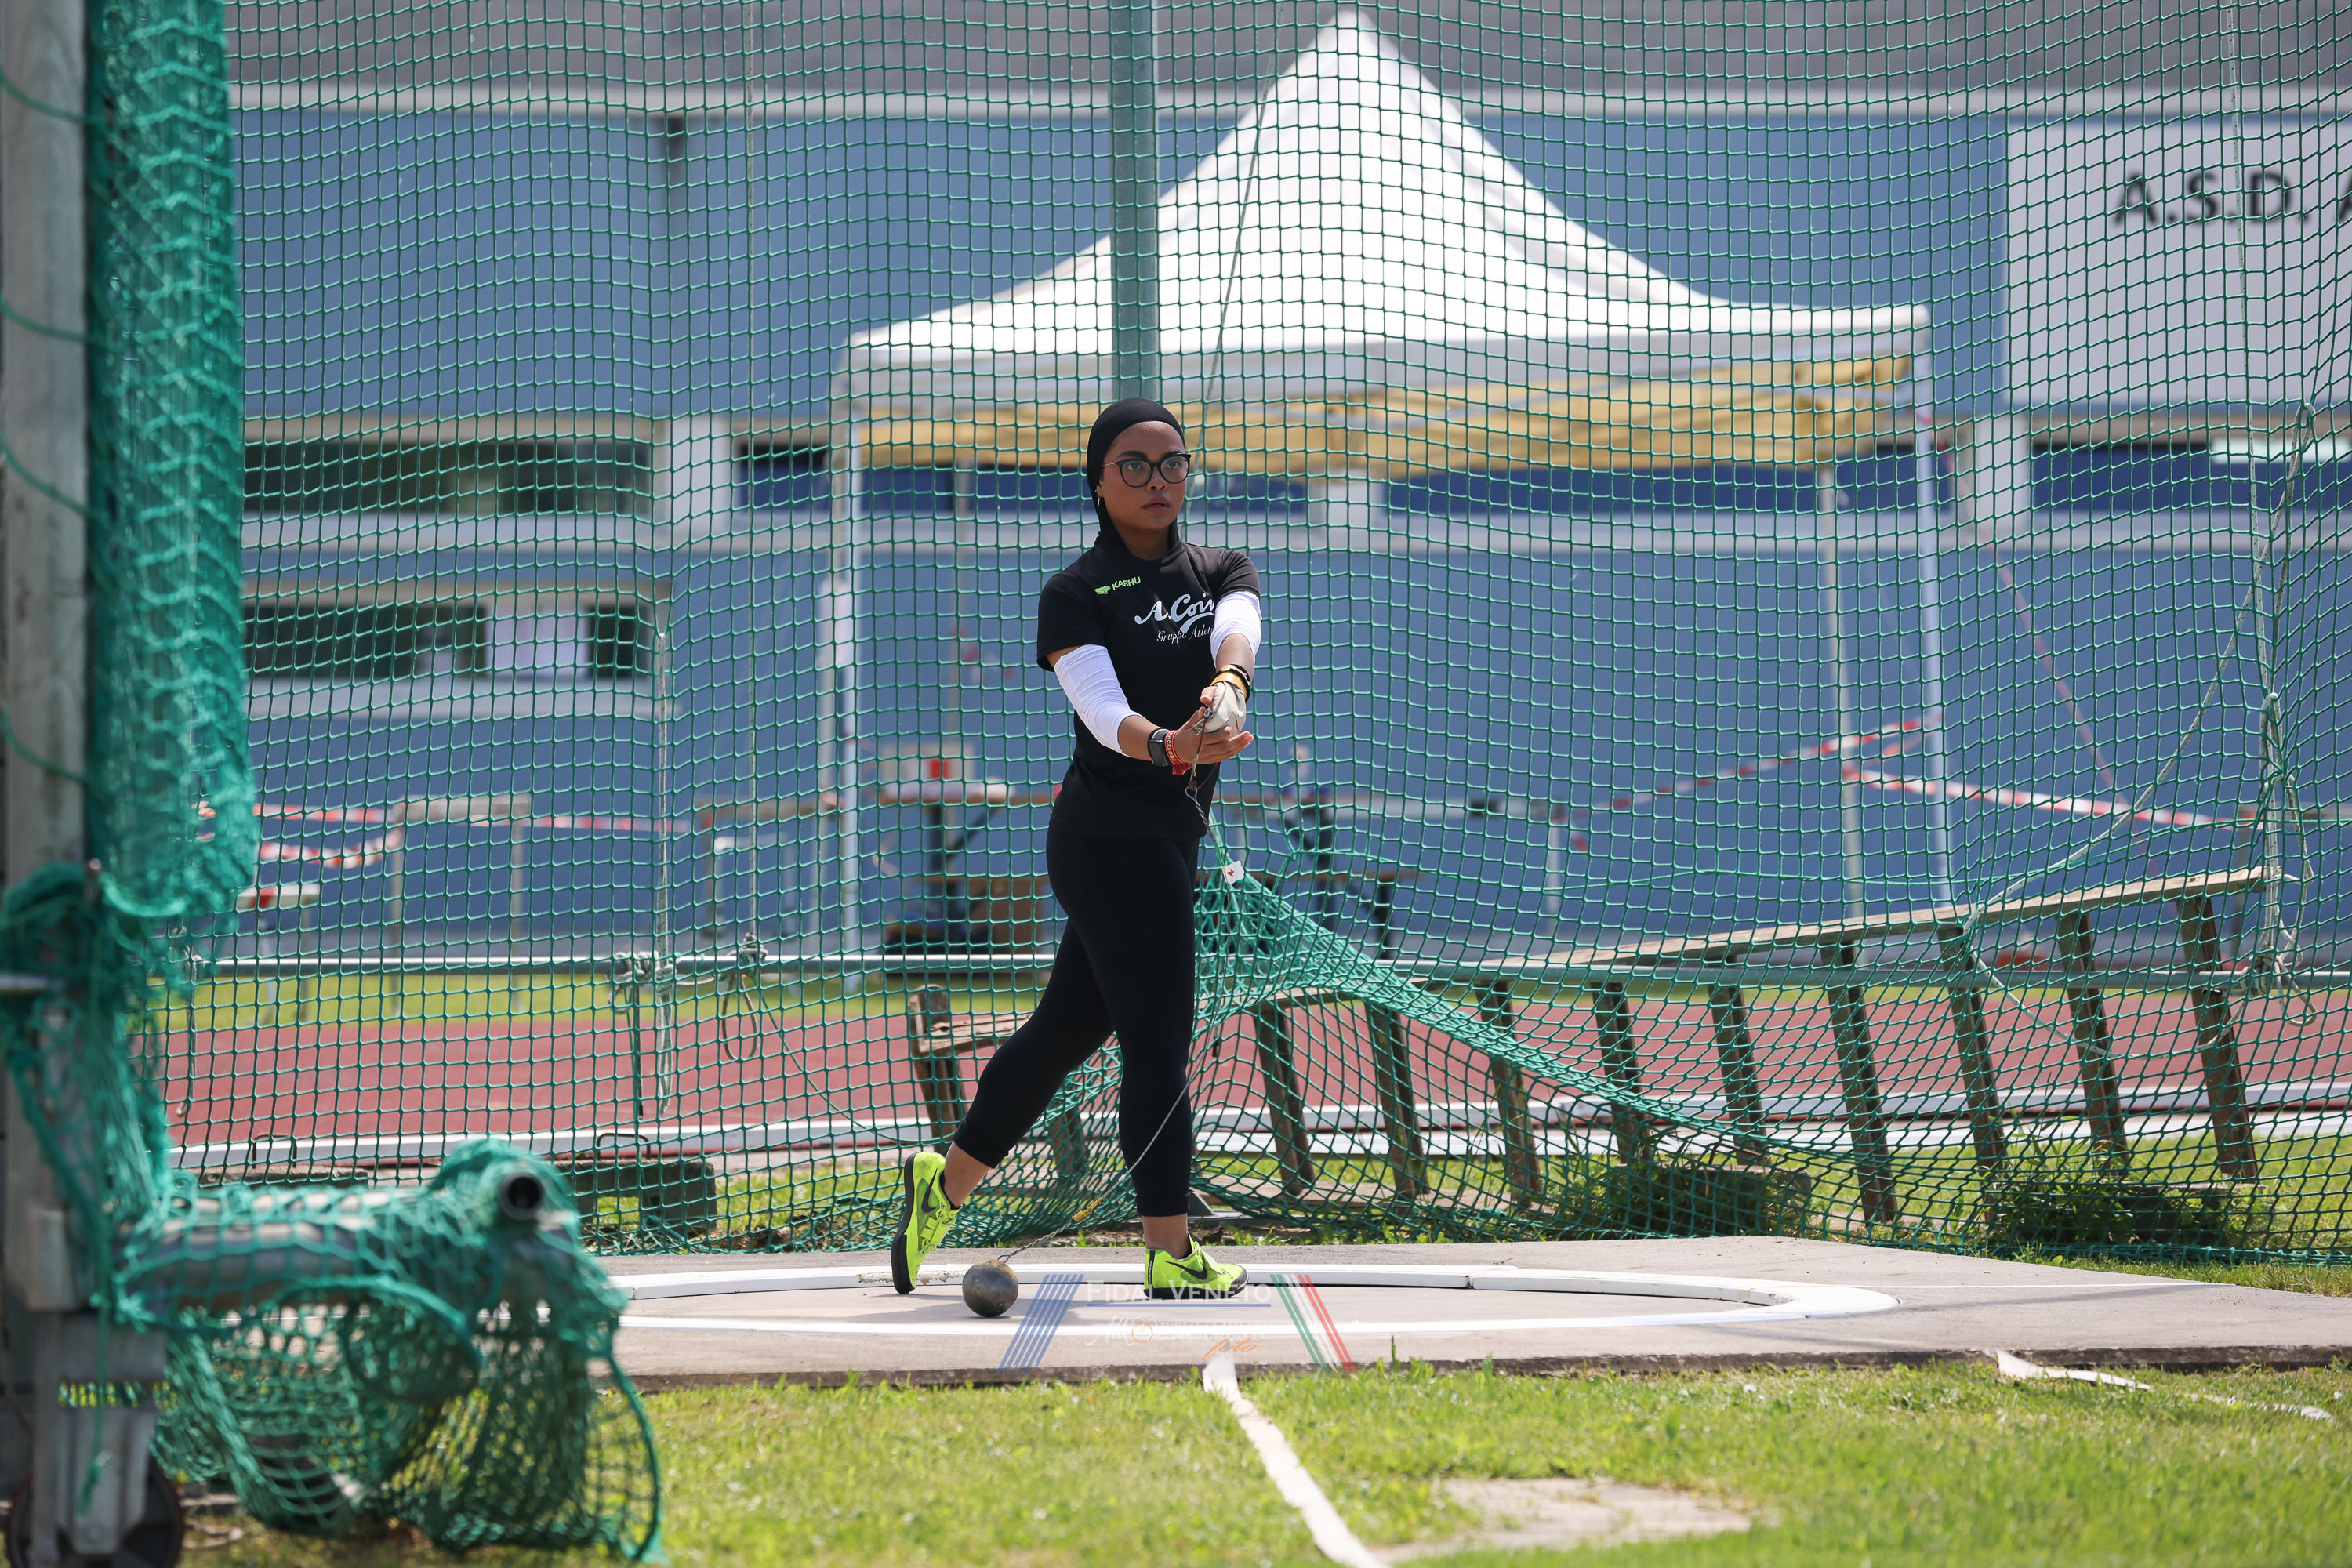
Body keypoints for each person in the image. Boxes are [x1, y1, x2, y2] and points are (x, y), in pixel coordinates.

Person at [891, 398, 1261, 1299]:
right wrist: (1167, 744)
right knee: (1158, 1043)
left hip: (1166, 840)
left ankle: (939, 1186)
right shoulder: (1075, 590)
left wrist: (1229, 684)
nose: (1157, 480)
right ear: (1098, 480)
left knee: (1061, 1032)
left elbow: (1238, 627)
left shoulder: (1222, 567)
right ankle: (1170, 1251)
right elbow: (1100, 710)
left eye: (1172, 463)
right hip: (1108, 839)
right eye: (1134, 464)